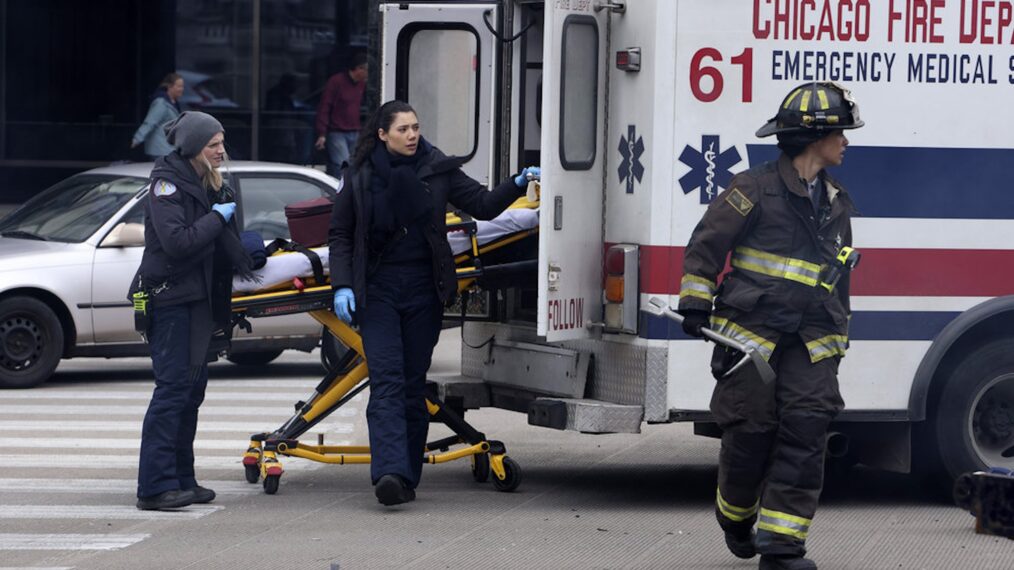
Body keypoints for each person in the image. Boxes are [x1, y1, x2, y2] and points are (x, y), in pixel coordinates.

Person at [677, 82, 864, 570]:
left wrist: (838, 338)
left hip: (812, 339)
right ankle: (736, 517)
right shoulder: (751, 190)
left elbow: (836, 275)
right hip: (752, 337)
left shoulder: (836, 201)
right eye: (840, 132)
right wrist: (696, 304)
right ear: (812, 137)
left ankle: (782, 547)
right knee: (751, 433)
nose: (846, 141)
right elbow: (705, 247)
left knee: (807, 430)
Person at [327, 100, 538, 506]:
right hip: (378, 289)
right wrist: (342, 286)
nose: (412, 135)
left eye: (416, 127)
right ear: (382, 134)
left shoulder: (437, 170)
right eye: (403, 129)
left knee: (411, 383)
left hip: (424, 289)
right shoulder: (359, 176)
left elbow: (484, 205)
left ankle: (406, 475)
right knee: (387, 381)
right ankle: (389, 473)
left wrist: (517, 182)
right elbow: (340, 234)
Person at [130, 111, 254, 511]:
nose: (221, 151)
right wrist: (217, 219)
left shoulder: (211, 183)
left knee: (191, 392)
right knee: (171, 392)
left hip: (198, 301)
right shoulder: (166, 184)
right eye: (213, 144)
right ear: (192, 148)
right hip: (170, 301)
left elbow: (224, 245)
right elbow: (178, 243)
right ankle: (154, 486)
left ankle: (183, 478)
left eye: (222, 143)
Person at [315, 53, 368, 177]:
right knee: (341, 164)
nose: (367, 74)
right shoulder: (336, 82)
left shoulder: (361, 85)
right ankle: (339, 190)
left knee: (354, 164)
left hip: (354, 130)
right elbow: (325, 106)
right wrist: (322, 133)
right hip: (337, 131)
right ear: (359, 69)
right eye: (366, 70)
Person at [131, 73, 184, 161]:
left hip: (167, 148)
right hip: (160, 150)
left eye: (182, 86)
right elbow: (150, 122)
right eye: (179, 86)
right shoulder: (161, 103)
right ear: (170, 87)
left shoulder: (173, 103)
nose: (182, 89)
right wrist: (137, 138)